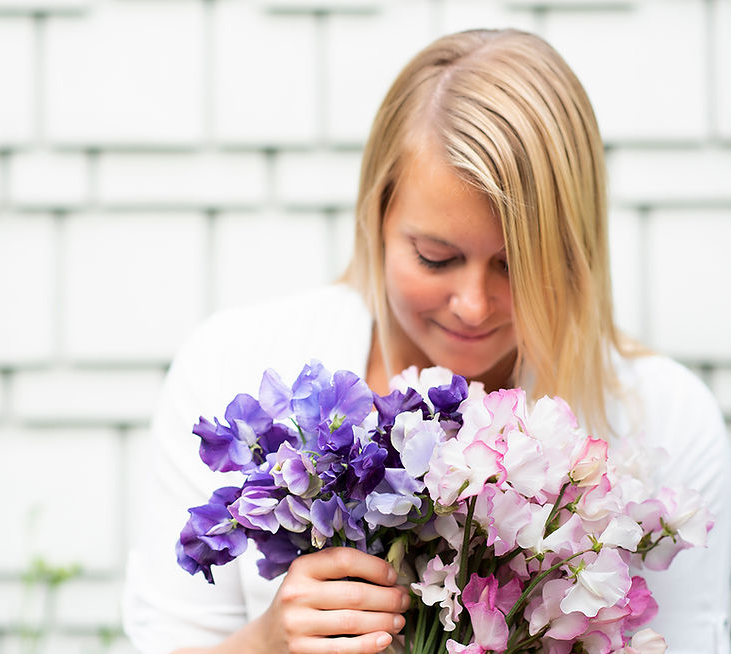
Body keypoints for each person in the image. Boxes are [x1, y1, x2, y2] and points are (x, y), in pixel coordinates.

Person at [122, 28, 731, 654]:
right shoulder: (233, 362)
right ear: (376, 216)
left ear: (576, 252)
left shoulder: (662, 420)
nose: (473, 304)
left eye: (516, 264)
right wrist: (268, 642)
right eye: (436, 257)